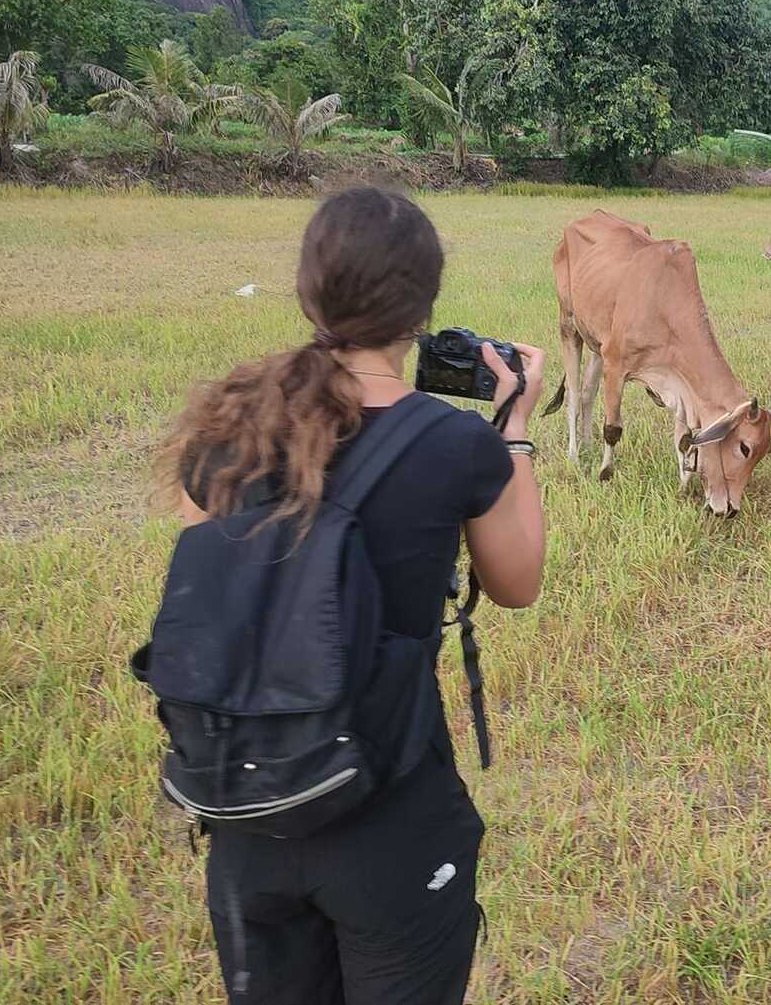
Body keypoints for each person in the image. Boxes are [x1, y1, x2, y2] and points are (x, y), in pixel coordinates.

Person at [159, 187, 546, 1004]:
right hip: (389, 813)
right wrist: (514, 429)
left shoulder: (227, 426)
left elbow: (214, 571)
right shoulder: (453, 443)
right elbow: (516, 585)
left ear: (309, 293)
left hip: (244, 811)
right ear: (421, 312)